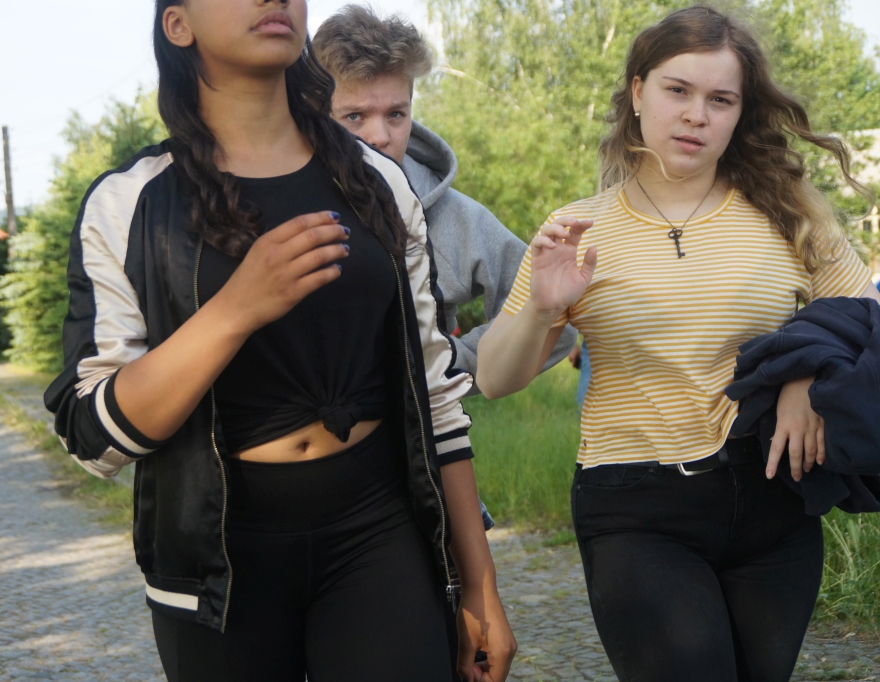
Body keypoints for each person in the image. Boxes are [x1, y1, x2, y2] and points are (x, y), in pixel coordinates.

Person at [44, 0, 516, 681]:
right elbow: (95, 438)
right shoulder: (130, 203)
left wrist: (479, 585)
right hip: (219, 572)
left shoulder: (377, 181)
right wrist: (235, 310)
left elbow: (435, 397)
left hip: (379, 535)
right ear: (178, 24)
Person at [476, 6, 880, 682]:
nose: (696, 115)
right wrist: (542, 307)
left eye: (720, 100)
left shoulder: (789, 213)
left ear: (740, 113)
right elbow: (494, 379)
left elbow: (865, 319)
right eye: (678, 90)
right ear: (638, 93)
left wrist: (806, 376)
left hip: (775, 501)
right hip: (636, 507)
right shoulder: (577, 228)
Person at [312, 5, 577, 382]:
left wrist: (445, 369)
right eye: (355, 116)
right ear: (317, 115)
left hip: (426, 420)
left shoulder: (453, 217)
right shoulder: (274, 196)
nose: (380, 137)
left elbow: (555, 324)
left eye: (395, 114)